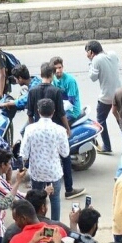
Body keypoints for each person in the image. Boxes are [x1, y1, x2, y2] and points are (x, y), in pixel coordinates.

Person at [26, 62, 82, 201]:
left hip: (38, 130)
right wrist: (67, 128)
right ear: (51, 75)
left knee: (39, 156)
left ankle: (38, 195)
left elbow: (29, 113)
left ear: (40, 74)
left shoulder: (32, 91)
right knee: (65, 157)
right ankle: (69, 189)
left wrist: (33, 127)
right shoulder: (55, 91)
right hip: (55, 130)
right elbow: (62, 114)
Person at [22, 98, 70, 221]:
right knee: (55, 200)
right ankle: (54, 226)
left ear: (38, 112)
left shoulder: (30, 129)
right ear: (53, 112)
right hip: (54, 172)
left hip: (36, 172)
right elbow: (65, 153)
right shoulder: (60, 130)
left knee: (36, 201)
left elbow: (24, 154)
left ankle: (36, 223)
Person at [86, 40, 120, 156]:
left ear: (91, 52)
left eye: (87, 52)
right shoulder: (112, 54)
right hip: (119, 94)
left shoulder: (96, 59)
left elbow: (93, 77)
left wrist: (91, 62)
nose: (87, 55)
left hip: (106, 97)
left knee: (100, 120)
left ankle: (107, 146)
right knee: (121, 120)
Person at [51, 56, 81, 124]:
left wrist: (57, 110)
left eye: (60, 67)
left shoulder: (70, 81)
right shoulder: (53, 79)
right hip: (62, 107)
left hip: (72, 111)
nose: (58, 70)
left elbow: (71, 102)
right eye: (56, 68)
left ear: (63, 67)